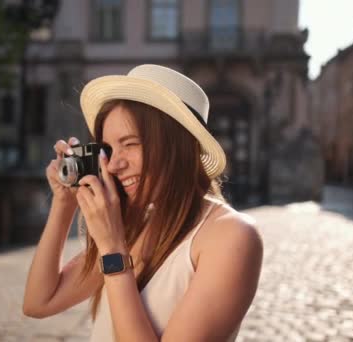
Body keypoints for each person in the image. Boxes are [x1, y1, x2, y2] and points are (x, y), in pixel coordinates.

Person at [23, 64, 263, 341]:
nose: (113, 165)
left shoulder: (231, 236)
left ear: (175, 145)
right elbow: (38, 303)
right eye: (109, 149)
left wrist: (113, 250)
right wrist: (63, 204)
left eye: (130, 144)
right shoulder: (136, 224)